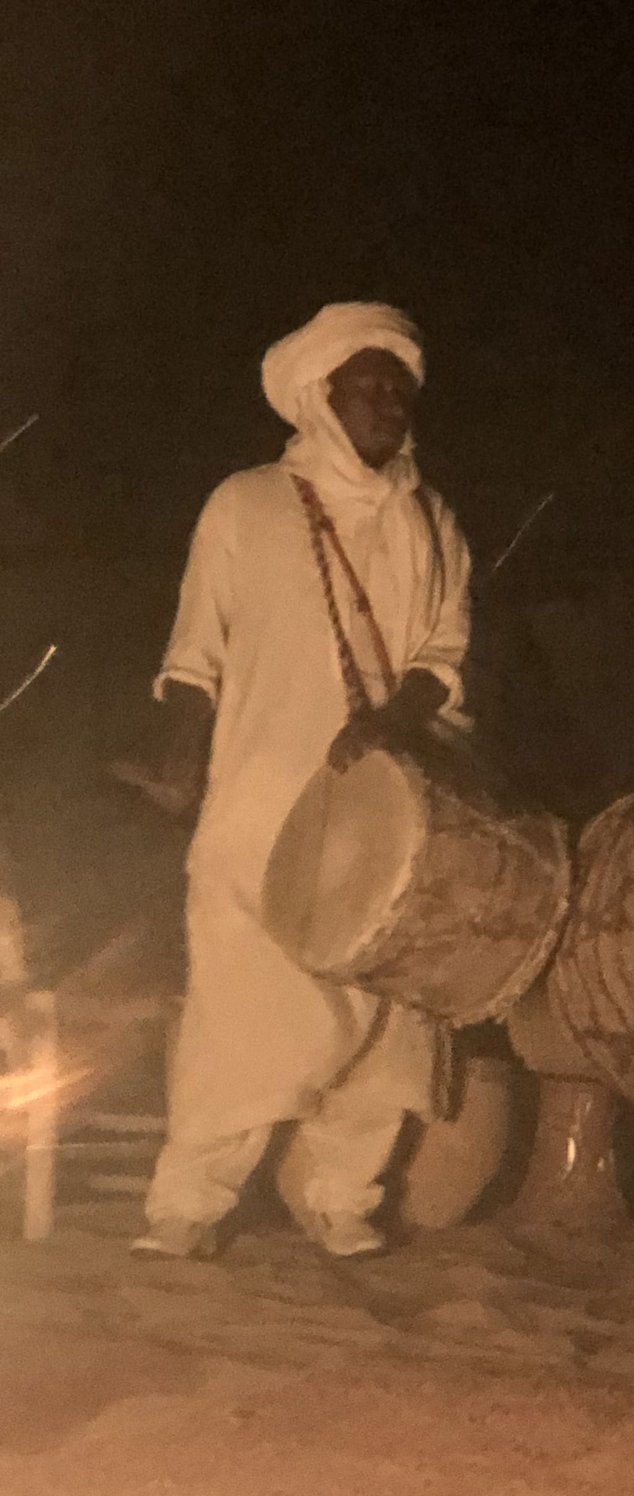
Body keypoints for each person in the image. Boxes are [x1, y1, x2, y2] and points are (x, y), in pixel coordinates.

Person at [134, 302, 471, 1260]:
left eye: (399, 388)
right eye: (366, 386)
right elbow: (195, 651)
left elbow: (446, 651)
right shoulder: (244, 502)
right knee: (243, 994)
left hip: (392, 800)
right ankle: (188, 1204)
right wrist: (181, 751)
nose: (387, 403)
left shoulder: (432, 519)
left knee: (383, 1000)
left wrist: (392, 722)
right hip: (261, 795)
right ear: (321, 397)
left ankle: (341, 1198)